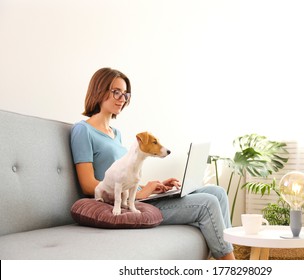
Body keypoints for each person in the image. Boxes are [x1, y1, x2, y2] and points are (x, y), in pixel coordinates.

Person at [70, 67, 235, 260]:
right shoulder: (83, 130)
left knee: (218, 192)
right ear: (99, 90)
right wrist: (141, 193)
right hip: (121, 202)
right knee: (208, 203)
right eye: (116, 91)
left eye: (125, 94)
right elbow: (88, 185)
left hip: (138, 196)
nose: (122, 98)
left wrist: (153, 187)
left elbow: (125, 176)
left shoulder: (116, 134)